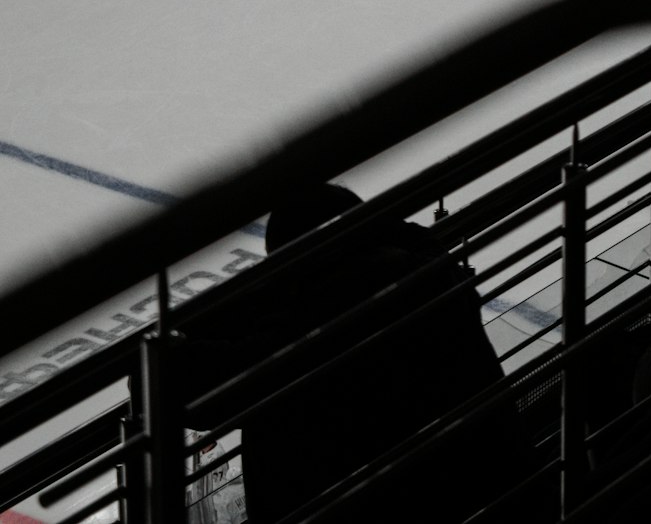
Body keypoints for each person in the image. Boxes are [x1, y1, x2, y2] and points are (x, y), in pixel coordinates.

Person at [178, 182, 540, 522]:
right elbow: (406, 233)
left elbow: (186, 390)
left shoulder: (306, 336)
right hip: (497, 494)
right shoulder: (431, 270)